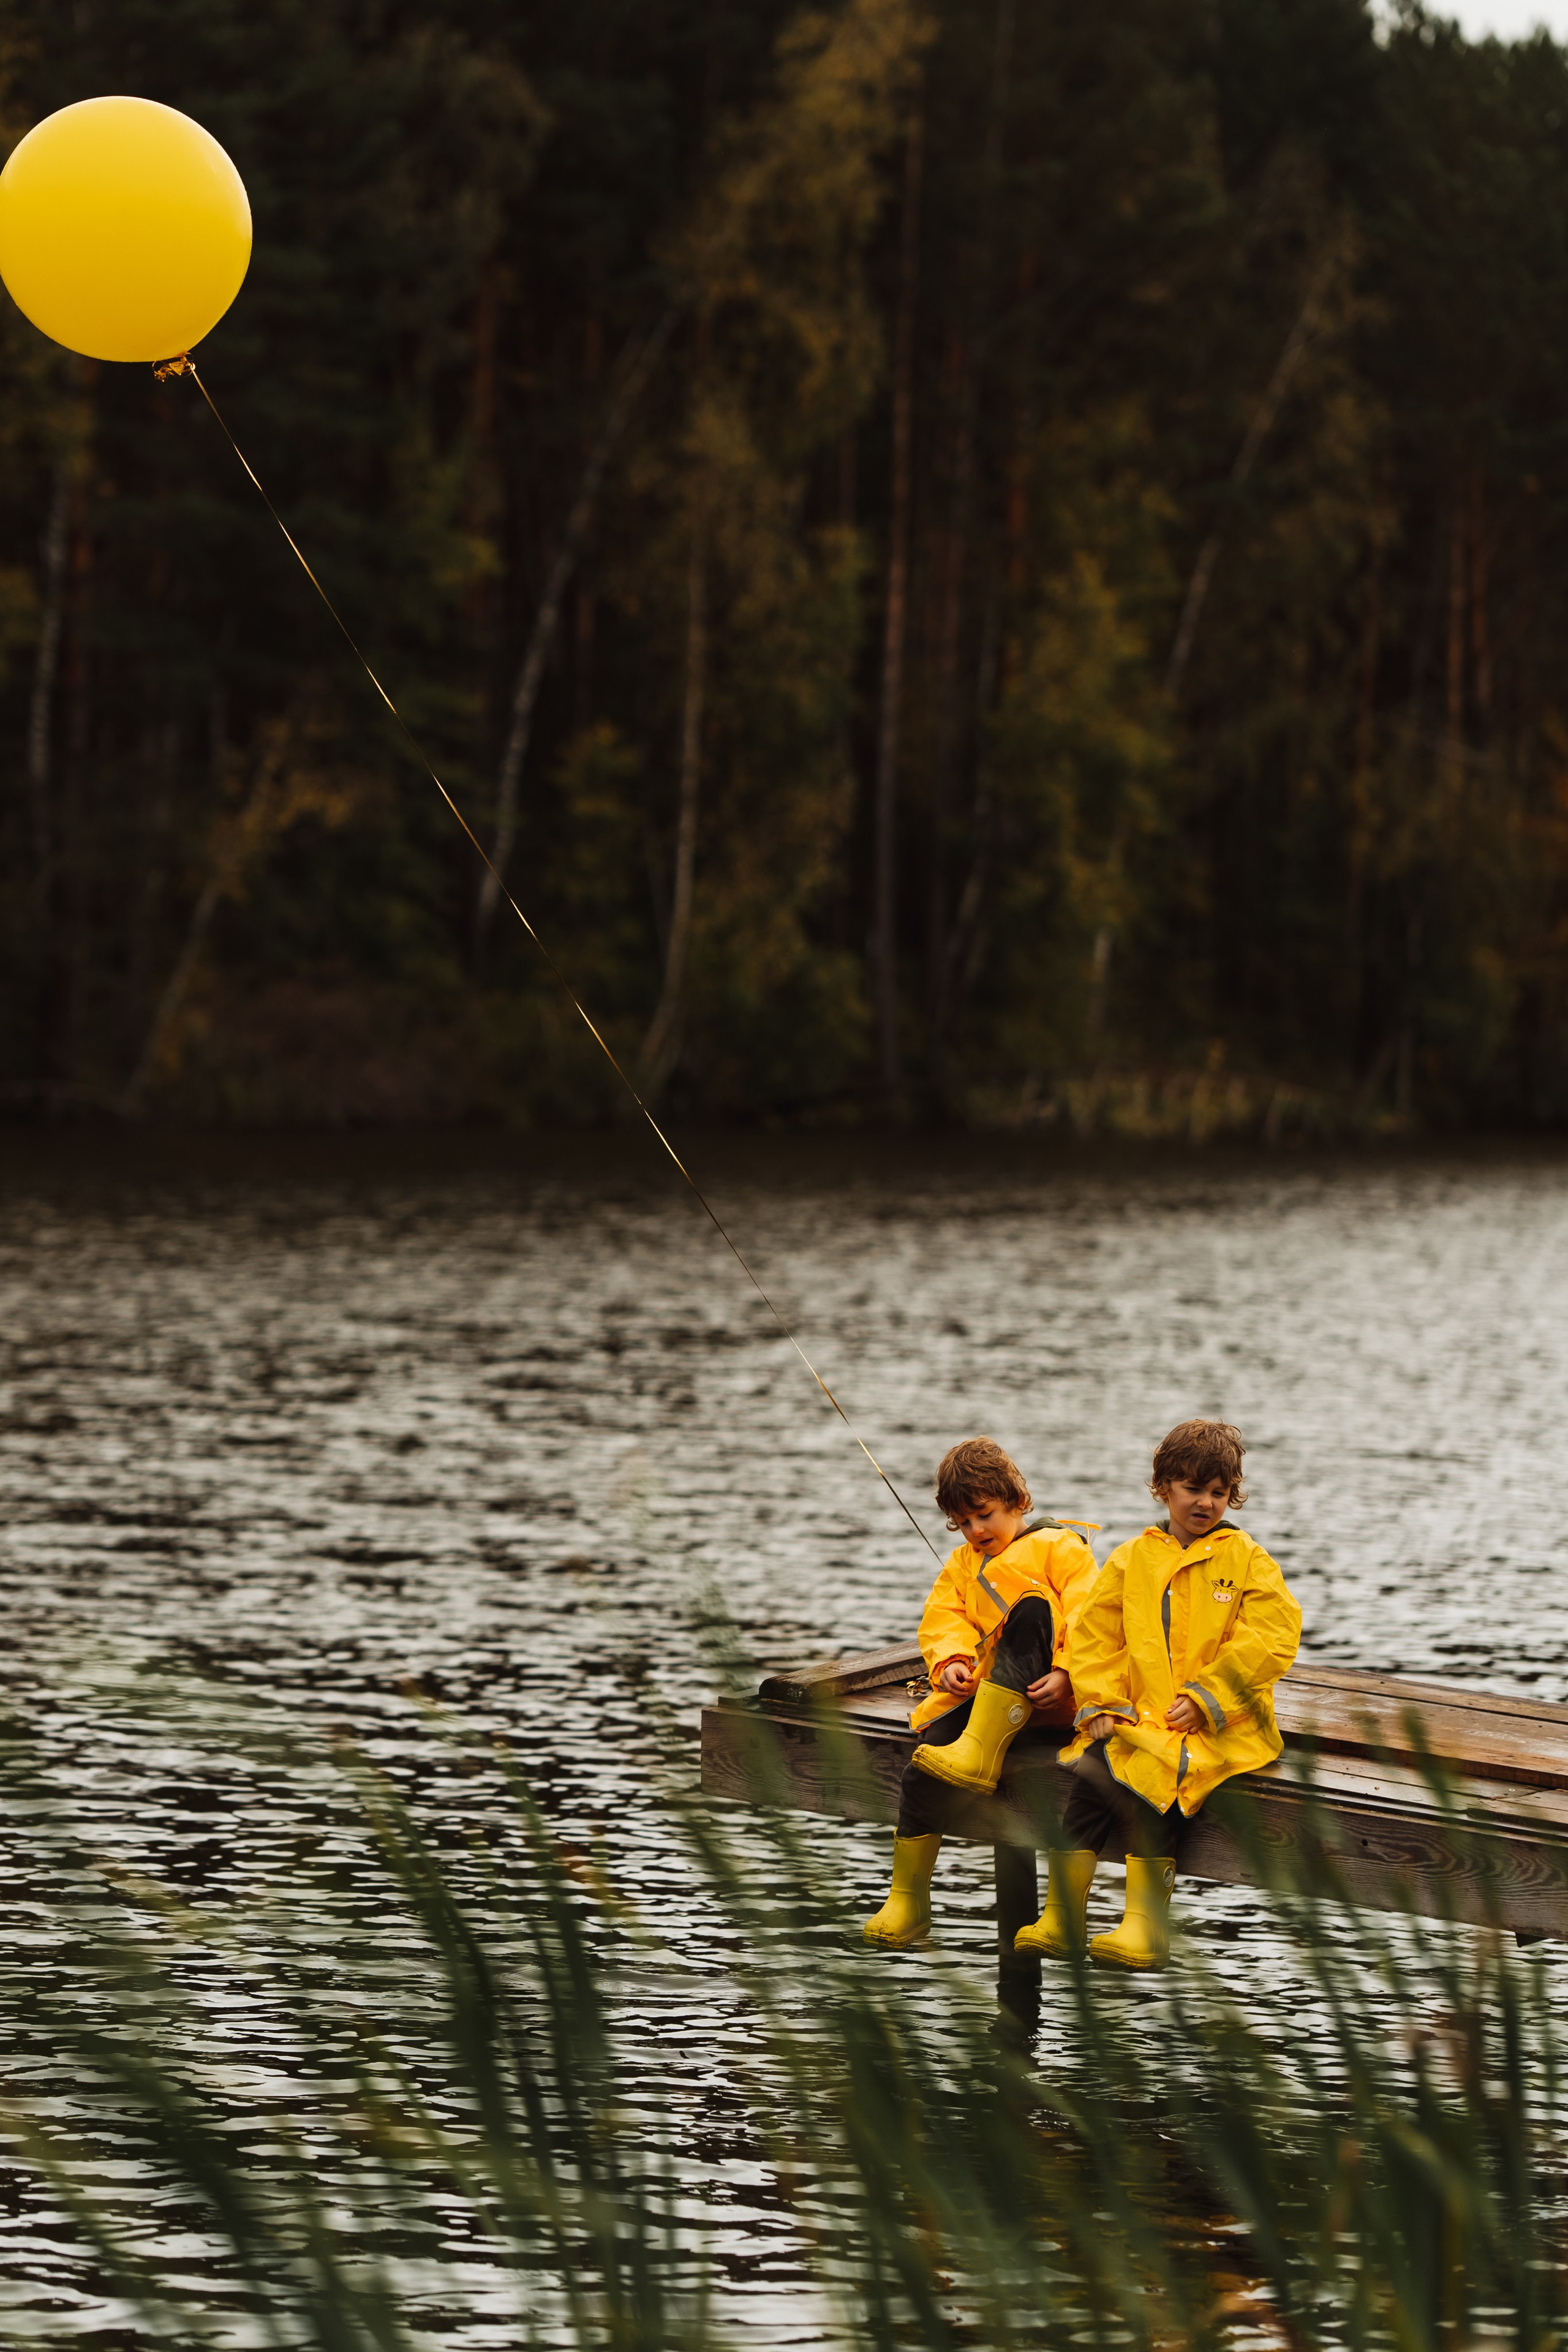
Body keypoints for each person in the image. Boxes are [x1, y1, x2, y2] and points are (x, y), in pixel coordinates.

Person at [1016, 1418, 1300, 1973]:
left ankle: (1146, 1926)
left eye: (1219, 1492)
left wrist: (1208, 1699)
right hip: (1142, 1716)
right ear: (1163, 1486)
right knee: (1092, 1776)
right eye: (1193, 1488)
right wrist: (1102, 1702)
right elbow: (1095, 1636)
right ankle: (1062, 1916)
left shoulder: (1247, 1560)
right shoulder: (1132, 1558)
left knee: (1162, 1779)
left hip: (1221, 1724)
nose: (1206, 1502)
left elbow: (1270, 1638)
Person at [863, 1436, 1098, 1948]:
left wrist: (1067, 1673)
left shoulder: (1063, 1548)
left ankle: (982, 1749)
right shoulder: (962, 1563)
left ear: (1018, 1501)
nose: (976, 1531)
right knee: (924, 1765)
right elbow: (943, 1619)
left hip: (1048, 1704)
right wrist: (951, 1663)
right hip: (985, 1704)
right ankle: (908, 1899)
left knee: (1032, 1607)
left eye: (984, 1515)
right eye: (963, 1523)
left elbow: (1090, 1618)